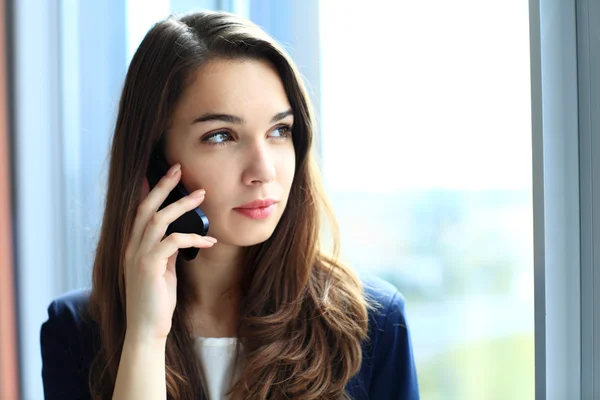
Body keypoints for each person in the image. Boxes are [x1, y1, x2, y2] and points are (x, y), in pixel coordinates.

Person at [40, 10, 419, 400]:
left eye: (279, 130)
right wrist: (144, 338)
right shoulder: (76, 332)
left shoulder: (372, 324)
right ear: (154, 162)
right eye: (221, 135)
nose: (263, 170)